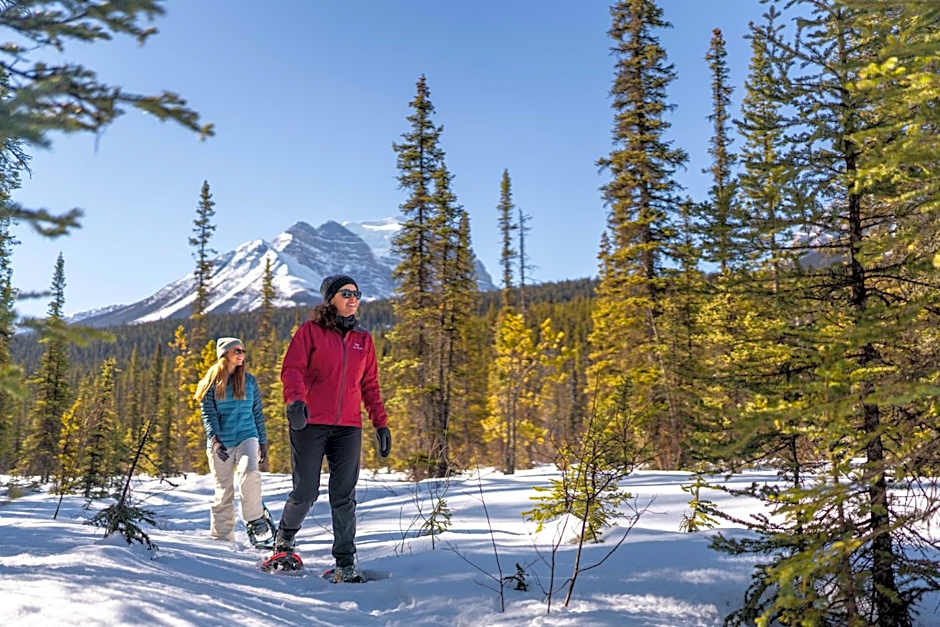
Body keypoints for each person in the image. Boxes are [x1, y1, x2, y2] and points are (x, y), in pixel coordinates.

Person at [268, 274, 392, 582]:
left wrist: (381, 423)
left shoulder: (364, 339)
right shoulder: (311, 332)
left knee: (343, 494)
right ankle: (284, 538)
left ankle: (345, 562)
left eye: (357, 293)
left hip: (348, 427)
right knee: (306, 489)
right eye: (346, 293)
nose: (353, 298)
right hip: (309, 422)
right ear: (331, 299)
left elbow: (370, 385)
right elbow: (292, 369)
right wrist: (296, 402)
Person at [196, 337, 270, 543]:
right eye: (236, 350)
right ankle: (222, 539)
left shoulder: (249, 381)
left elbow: (257, 413)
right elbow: (208, 414)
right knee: (223, 491)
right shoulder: (211, 382)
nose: (241, 354)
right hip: (222, 442)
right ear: (224, 354)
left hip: (247, 436)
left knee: (250, 473)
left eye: (243, 351)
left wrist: (262, 442)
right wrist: (215, 440)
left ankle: (255, 520)